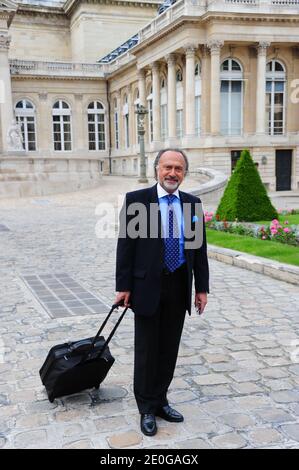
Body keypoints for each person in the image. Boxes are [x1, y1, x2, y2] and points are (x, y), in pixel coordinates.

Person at [115, 148, 209, 436]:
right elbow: (126, 247)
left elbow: (199, 250)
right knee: (147, 351)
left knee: (168, 349)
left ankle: (161, 400)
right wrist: (124, 286)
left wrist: (201, 288)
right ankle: (145, 408)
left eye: (178, 169)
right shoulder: (137, 201)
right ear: (157, 169)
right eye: (167, 167)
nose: (172, 173)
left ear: (184, 173)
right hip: (145, 287)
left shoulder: (192, 204)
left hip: (179, 284)